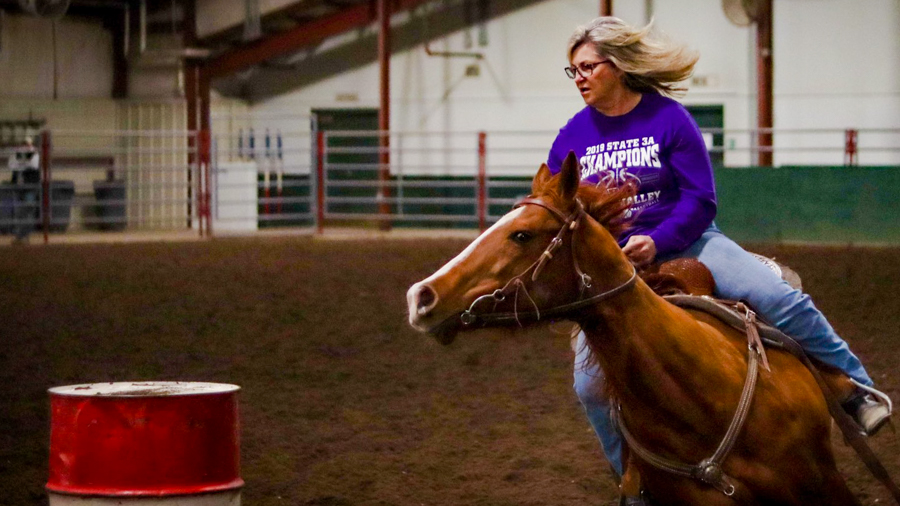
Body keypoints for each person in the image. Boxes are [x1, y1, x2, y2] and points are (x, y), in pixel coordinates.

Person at [546, 15, 891, 498]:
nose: (579, 77)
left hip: (690, 240)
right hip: (618, 267)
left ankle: (855, 389)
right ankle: (632, 479)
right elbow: (555, 205)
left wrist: (657, 241)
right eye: (573, 70)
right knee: (589, 386)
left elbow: (700, 199)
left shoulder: (668, 119)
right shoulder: (572, 136)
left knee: (777, 296)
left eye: (587, 67)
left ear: (618, 66)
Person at [6, 136, 41, 242]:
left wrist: (19, 162)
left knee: (27, 211)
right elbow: (11, 165)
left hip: (29, 187)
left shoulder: (35, 154)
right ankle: (20, 235)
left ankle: (24, 235)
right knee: (19, 212)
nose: (26, 146)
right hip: (19, 187)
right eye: (25, 144)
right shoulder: (19, 154)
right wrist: (23, 162)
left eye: (28, 144)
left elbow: (33, 165)